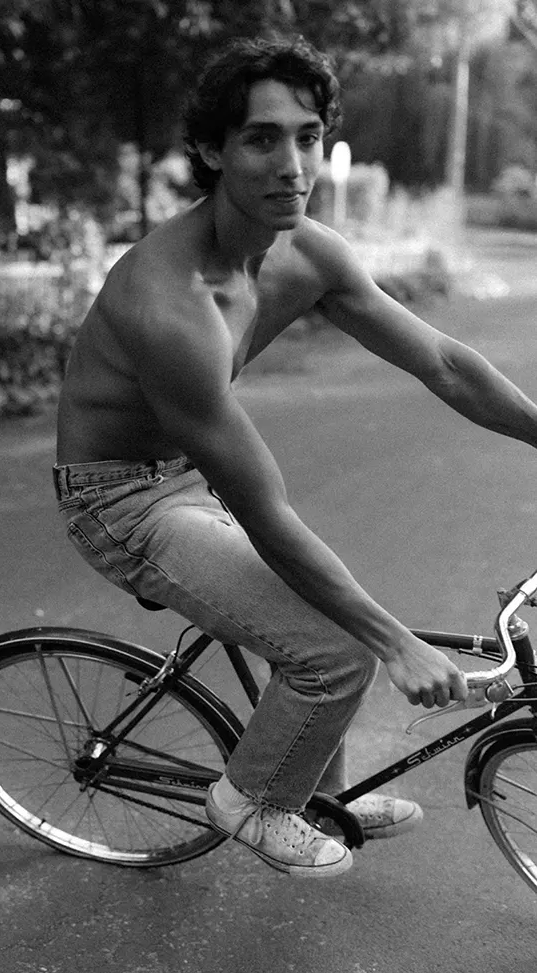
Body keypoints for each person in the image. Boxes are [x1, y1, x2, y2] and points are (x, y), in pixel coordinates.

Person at [54, 34, 537, 878]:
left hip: (182, 473)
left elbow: (445, 364)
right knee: (338, 649)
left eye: (307, 137)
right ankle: (251, 799)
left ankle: (318, 791)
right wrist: (394, 644)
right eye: (261, 139)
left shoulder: (306, 252)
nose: (292, 165)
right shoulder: (170, 304)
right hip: (119, 500)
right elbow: (264, 510)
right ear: (212, 150)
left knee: (326, 608)